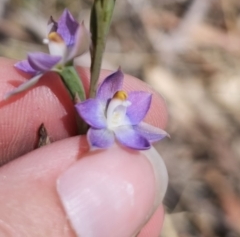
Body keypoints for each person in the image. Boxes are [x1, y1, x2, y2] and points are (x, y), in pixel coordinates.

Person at [0, 57, 168, 237]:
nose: (119, 99)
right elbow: (90, 123)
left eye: (121, 100)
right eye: (115, 99)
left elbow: (141, 130)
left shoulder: (129, 128)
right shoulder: (92, 117)